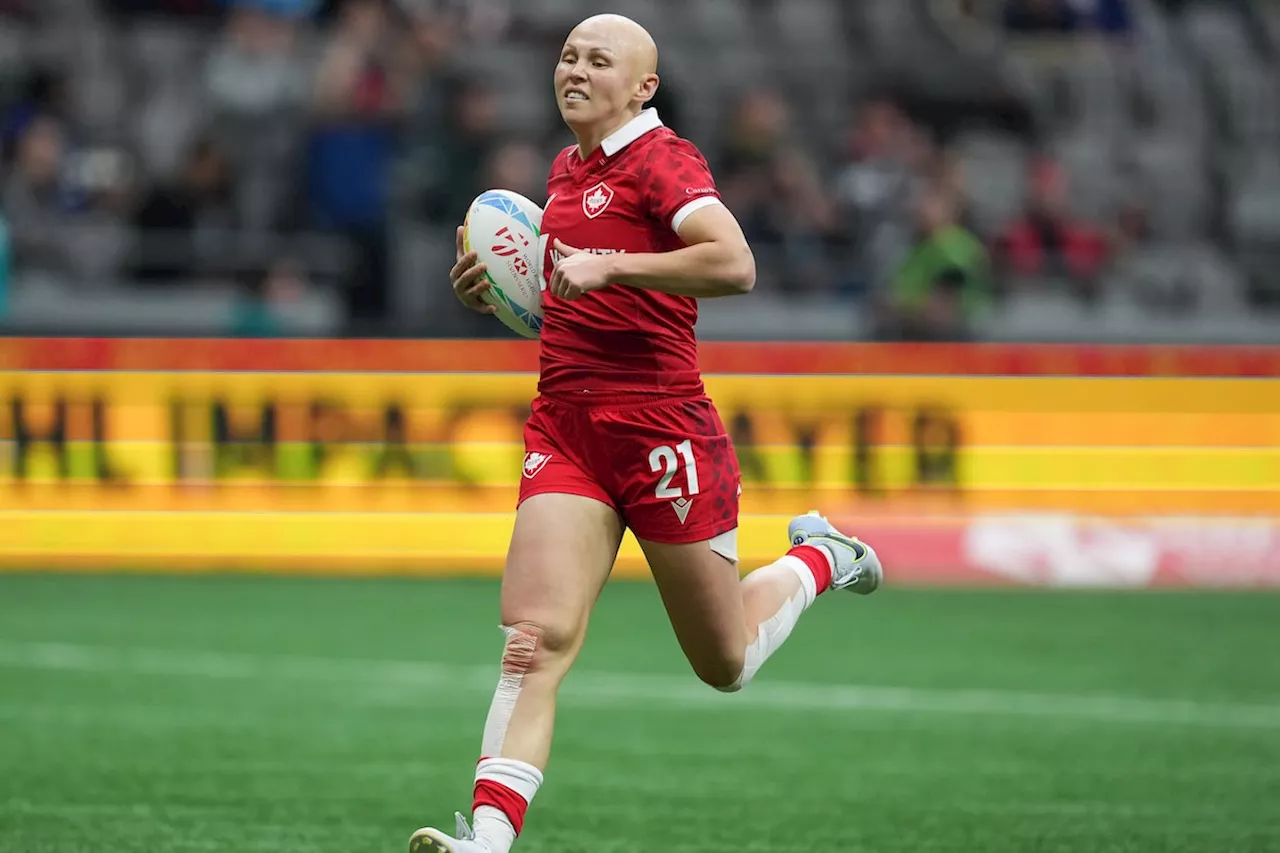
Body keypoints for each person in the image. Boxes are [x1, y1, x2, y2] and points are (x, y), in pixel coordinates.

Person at [411, 15, 884, 853]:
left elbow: (734, 262)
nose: (576, 71)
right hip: (567, 427)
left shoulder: (666, 161)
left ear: (643, 88)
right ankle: (485, 840)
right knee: (533, 638)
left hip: (663, 430)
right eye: (567, 57)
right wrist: (491, 292)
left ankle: (821, 556)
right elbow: (569, 297)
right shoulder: (564, 171)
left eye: (600, 61)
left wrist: (613, 265)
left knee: (724, 662)